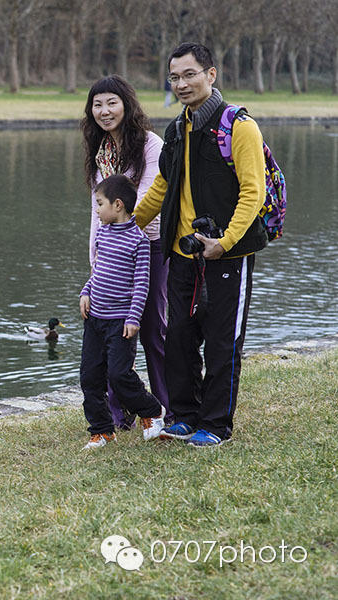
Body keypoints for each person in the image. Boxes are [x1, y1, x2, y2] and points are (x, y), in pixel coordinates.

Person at [133, 42, 268, 448]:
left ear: (211, 74)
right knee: (180, 337)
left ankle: (216, 425)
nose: (181, 84)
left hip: (229, 254)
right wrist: (126, 227)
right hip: (181, 253)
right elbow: (162, 186)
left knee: (223, 342)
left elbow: (253, 193)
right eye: (174, 77)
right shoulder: (177, 129)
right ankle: (185, 416)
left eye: (190, 74)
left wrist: (224, 243)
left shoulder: (239, 127)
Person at [80, 75, 170, 430]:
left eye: (111, 103)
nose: (104, 111)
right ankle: (121, 413)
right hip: (113, 251)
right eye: (97, 104)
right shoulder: (100, 151)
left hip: (150, 244)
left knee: (150, 330)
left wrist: (122, 239)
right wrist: (97, 260)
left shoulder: (150, 145)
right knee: (114, 332)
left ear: (127, 104)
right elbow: (97, 209)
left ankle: (167, 408)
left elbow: (147, 201)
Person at [79, 174, 165, 450]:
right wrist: (86, 291)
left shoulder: (138, 241)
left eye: (100, 203)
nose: (96, 209)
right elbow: (99, 270)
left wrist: (133, 317)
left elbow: (142, 284)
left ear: (117, 205)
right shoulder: (103, 233)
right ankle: (102, 431)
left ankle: (151, 410)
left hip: (120, 322)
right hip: (95, 319)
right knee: (90, 376)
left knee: (119, 375)